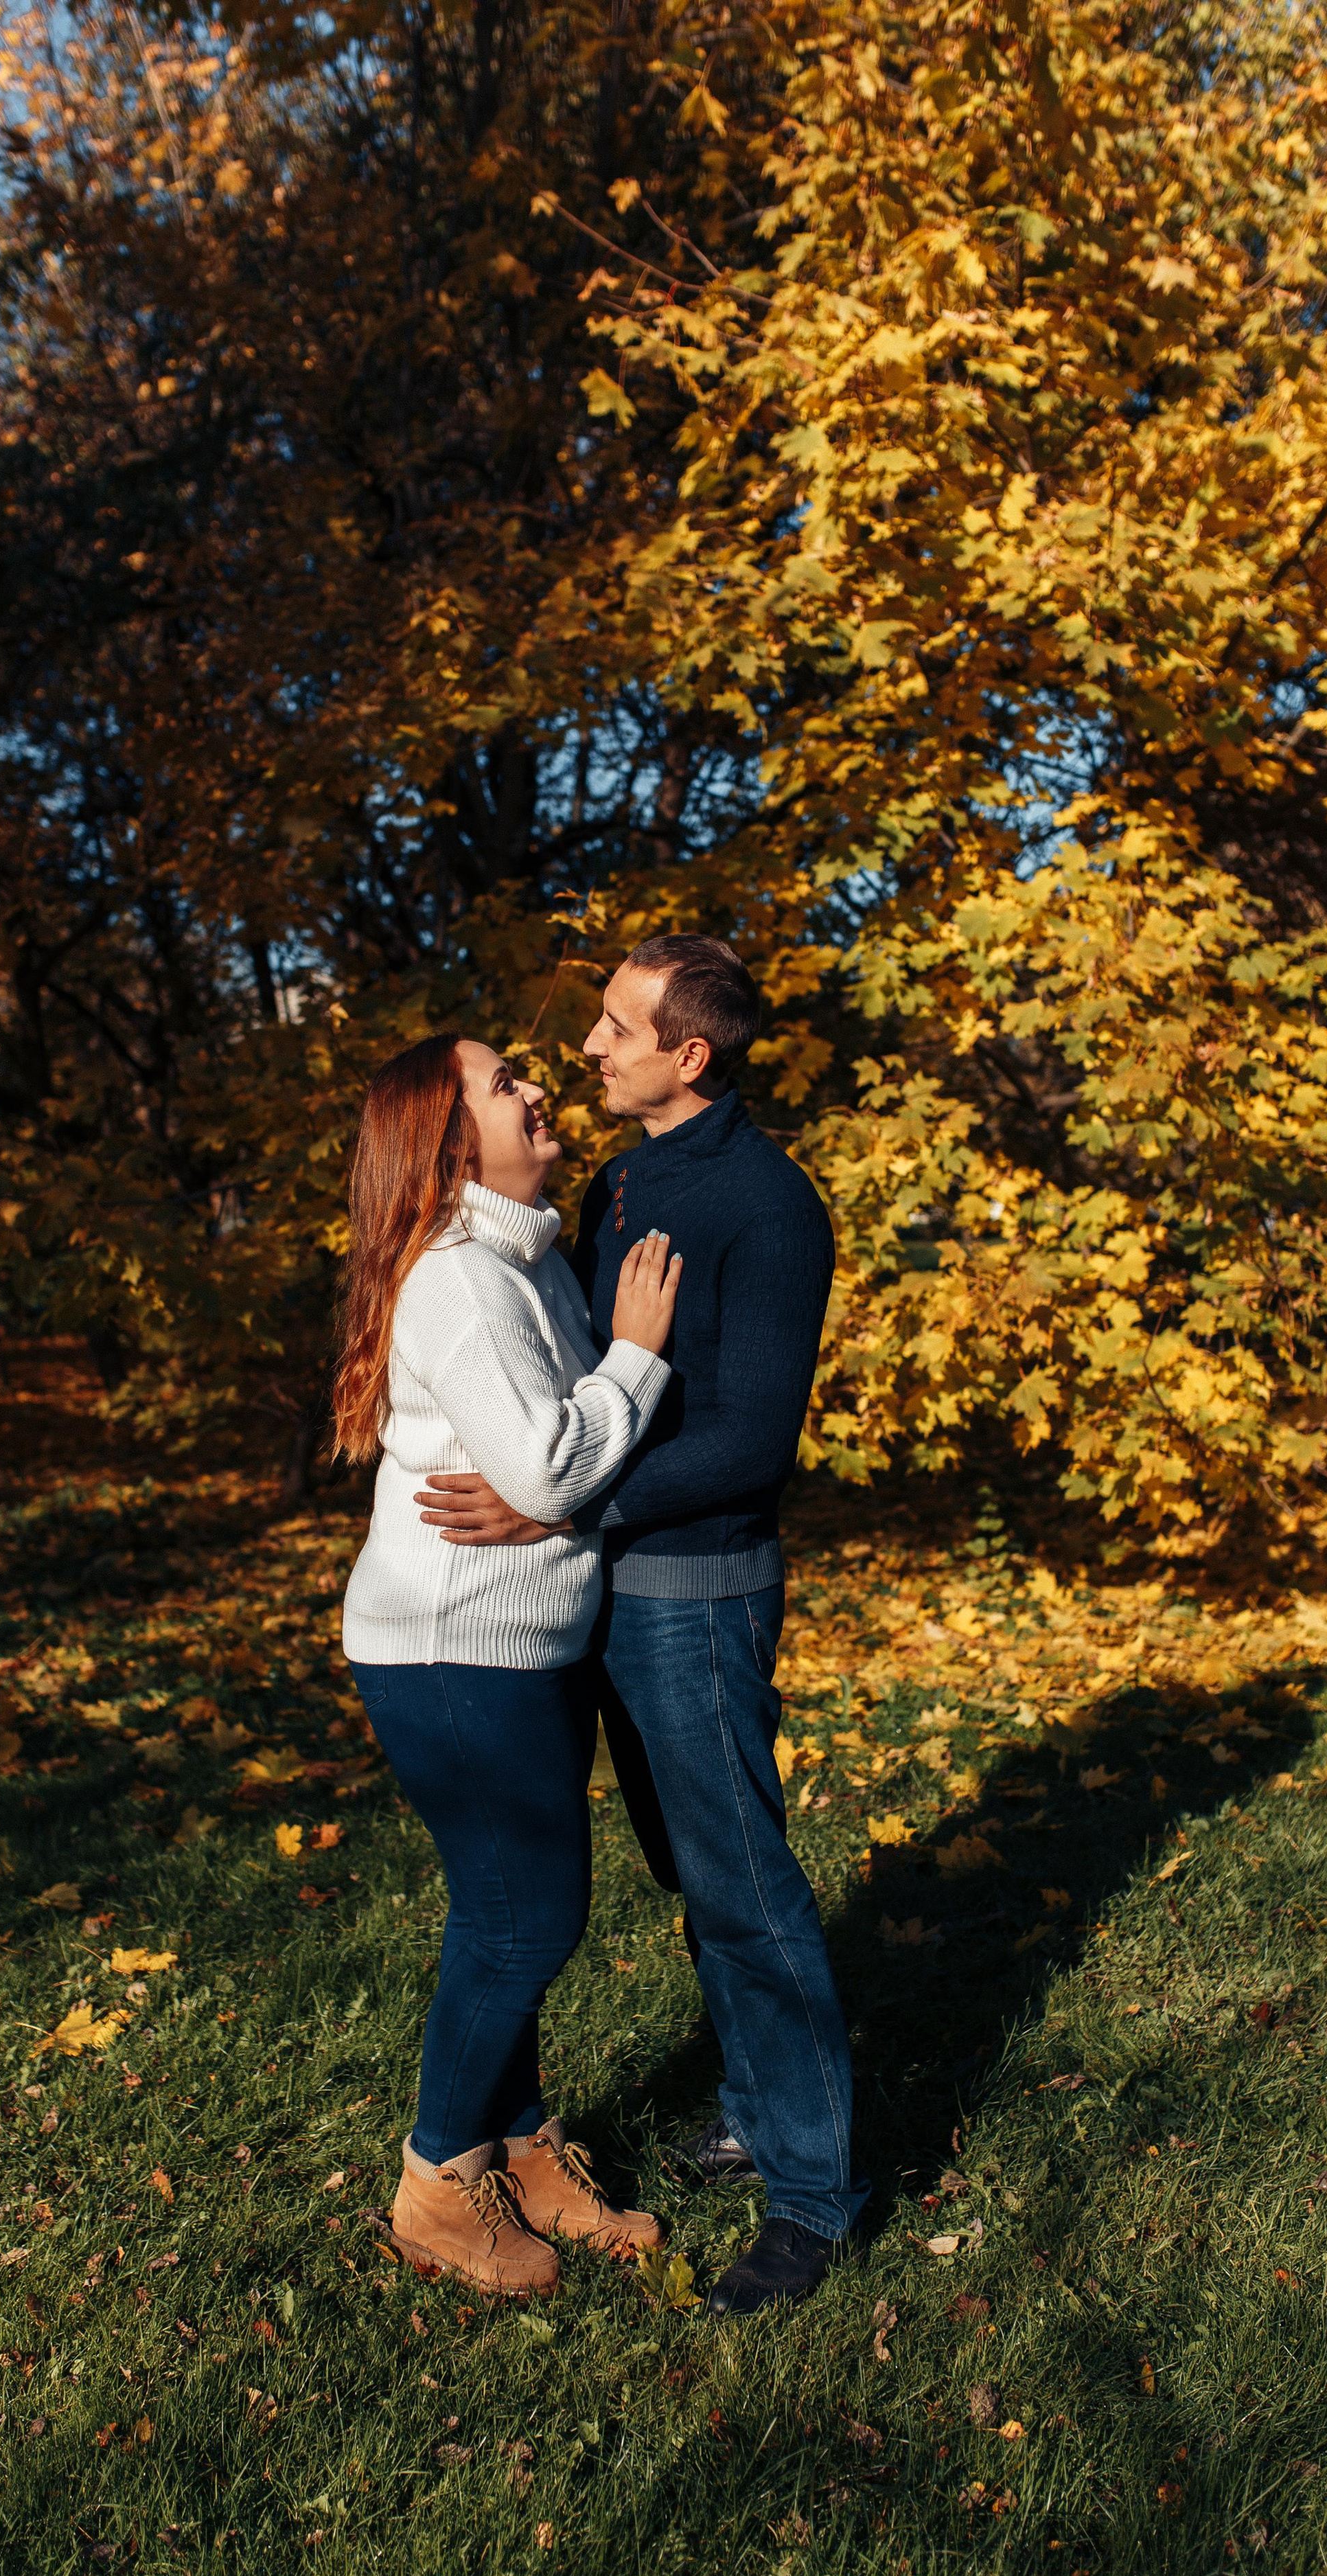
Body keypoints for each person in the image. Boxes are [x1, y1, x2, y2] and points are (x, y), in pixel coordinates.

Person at [413, 937, 868, 2312]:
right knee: (689, 1873)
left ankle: (812, 2195)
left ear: (690, 1055)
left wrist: (561, 1507)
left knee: (742, 1889)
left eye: (618, 1027)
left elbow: (749, 1445)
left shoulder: (766, 1205)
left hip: (695, 1591)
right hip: (596, 1587)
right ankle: (754, 2107)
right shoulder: (621, 1180)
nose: (588, 1048)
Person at [333, 1029, 682, 2297]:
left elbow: (549, 1478)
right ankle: (439, 2185)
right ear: (449, 1142)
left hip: (519, 1643)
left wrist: (557, 1485)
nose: (536, 1088)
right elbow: (549, 1465)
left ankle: (524, 2153)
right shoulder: (461, 1280)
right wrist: (635, 1355)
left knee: (505, 1904)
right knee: (527, 1917)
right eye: (502, 1084)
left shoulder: (520, 1264)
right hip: (454, 1650)